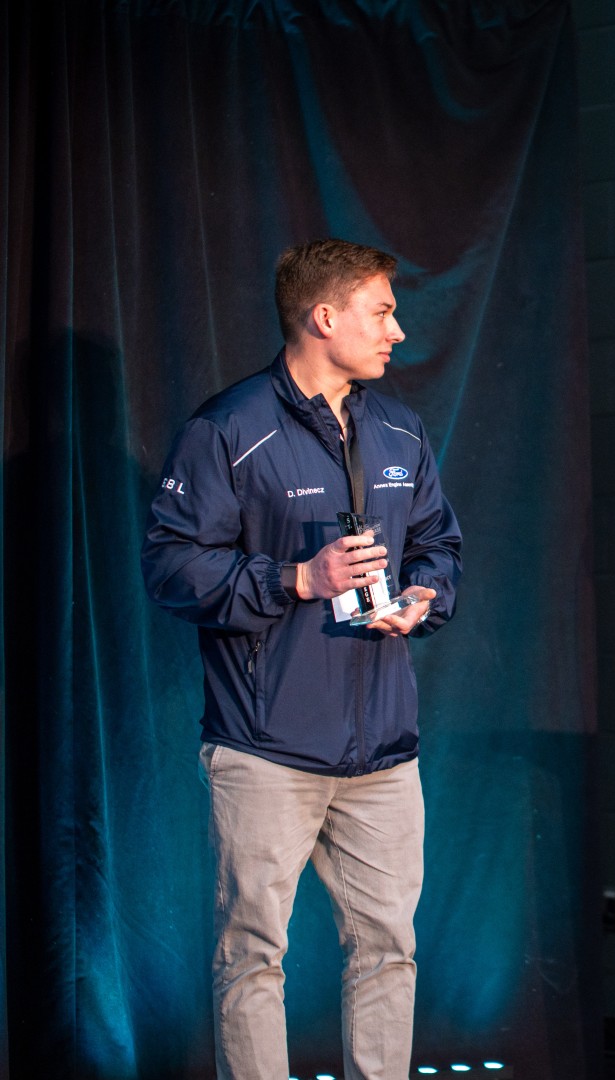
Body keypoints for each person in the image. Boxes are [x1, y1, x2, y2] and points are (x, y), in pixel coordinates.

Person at [142, 238, 462, 1080]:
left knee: (388, 950)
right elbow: (170, 567)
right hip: (266, 748)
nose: (397, 330)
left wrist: (424, 596)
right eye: (382, 311)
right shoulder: (228, 430)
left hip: (383, 754)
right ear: (325, 317)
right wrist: (295, 578)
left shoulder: (399, 430)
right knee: (252, 955)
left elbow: (438, 545)